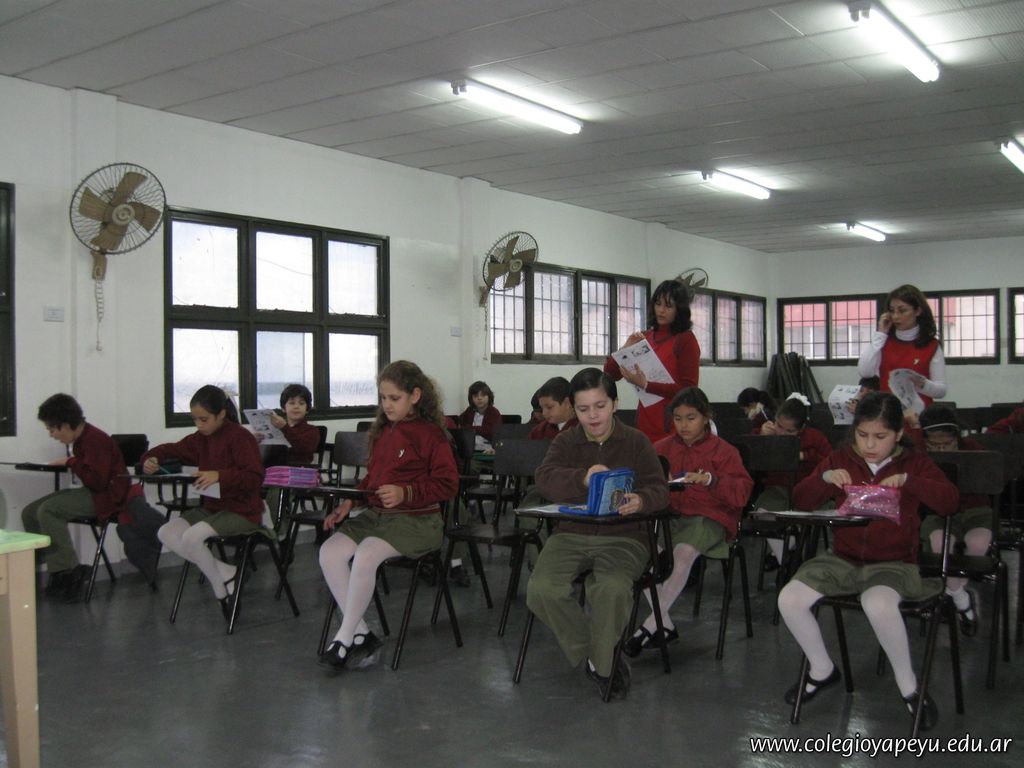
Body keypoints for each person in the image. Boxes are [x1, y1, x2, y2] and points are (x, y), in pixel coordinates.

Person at [778, 392, 958, 732]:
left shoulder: (914, 464)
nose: (870, 445)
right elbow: (801, 499)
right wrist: (823, 479)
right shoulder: (840, 458)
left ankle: (909, 686)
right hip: (843, 559)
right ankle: (822, 669)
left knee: (877, 603)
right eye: (862, 435)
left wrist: (910, 483)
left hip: (894, 563)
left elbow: (949, 502)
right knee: (789, 599)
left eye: (880, 436)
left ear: (899, 434)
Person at [525, 368, 670, 699]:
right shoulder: (566, 441)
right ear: (573, 409)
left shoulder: (636, 441)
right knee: (541, 589)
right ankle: (598, 653)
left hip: (625, 536)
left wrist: (642, 500)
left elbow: (660, 491)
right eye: (583, 409)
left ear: (615, 404)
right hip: (571, 533)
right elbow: (544, 478)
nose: (592, 416)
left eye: (600, 406)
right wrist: (582, 478)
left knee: (611, 588)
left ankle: (603, 668)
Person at [317, 361, 459, 670]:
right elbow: (373, 479)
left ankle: (344, 637)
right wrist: (350, 502)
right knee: (329, 552)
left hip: (419, 522)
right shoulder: (382, 431)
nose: (387, 405)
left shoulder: (432, 434)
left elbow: (448, 485)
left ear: (415, 396)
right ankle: (361, 633)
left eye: (394, 398)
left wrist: (405, 492)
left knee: (366, 554)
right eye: (383, 398)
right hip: (380, 517)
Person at [623, 387, 751, 656]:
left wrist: (711, 480)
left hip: (710, 518)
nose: (683, 425)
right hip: (670, 517)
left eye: (691, 418)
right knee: (643, 555)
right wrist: (658, 484)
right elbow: (640, 483)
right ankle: (664, 625)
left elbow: (741, 494)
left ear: (706, 417)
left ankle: (649, 625)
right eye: (678, 419)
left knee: (683, 553)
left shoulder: (724, 451)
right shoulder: (662, 448)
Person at [22, 394, 164, 600]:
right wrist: (72, 462)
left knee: (48, 510)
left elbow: (98, 482)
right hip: (94, 492)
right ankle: (45, 556)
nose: (51, 435)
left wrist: (70, 462)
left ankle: (67, 572)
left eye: (52, 429)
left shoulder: (94, 440)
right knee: (30, 512)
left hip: (107, 497)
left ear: (65, 425)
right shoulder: (81, 439)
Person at [143, 386, 265, 620]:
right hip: (212, 509)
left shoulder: (240, 437)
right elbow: (171, 449)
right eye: (195, 419)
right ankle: (228, 573)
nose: (199, 425)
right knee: (166, 533)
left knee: (191, 537)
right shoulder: (200, 439)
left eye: (204, 419)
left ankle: (221, 593)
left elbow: (254, 477)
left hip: (242, 512)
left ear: (221, 415)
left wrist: (220, 475)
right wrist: (151, 458)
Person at [917, 405, 990, 635]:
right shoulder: (920, 455)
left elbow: (992, 479)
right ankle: (960, 599)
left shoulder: (974, 450)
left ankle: (952, 591)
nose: (940, 449)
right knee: (939, 544)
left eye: (947, 444)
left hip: (975, 510)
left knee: (978, 543)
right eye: (933, 445)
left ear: (957, 438)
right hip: (937, 512)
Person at [604, 279, 700, 442]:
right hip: (645, 421)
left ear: (679, 309)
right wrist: (625, 348)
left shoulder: (685, 339)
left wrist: (646, 385)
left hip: (673, 424)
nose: (661, 310)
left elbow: (689, 389)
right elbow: (610, 374)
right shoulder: (645, 336)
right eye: (658, 303)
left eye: (668, 306)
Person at [753, 393, 832, 569]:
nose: (782, 433)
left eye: (789, 431)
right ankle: (787, 558)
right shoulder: (766, 432)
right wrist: (761, 438)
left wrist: (804, 456)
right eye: (779, 426)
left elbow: (831, 463)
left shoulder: (815, 438)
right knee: (762, 514)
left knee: (800, 519)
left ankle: (782, 557)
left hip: (808, 491)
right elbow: (748, 458)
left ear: (802, 428)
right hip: (778, 488)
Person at [857, 284, 946, 413]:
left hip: (919, 416)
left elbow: (941, 391)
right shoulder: (883, 341)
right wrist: (880, 334)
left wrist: (923, 384)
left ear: (918, 311)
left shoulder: (931, 345)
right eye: (892, 311)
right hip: (888, 414)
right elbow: (865, 372)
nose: (895, 316)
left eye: (902, 310)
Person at [458, 380, 501, 452]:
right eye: (475, 396)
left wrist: (471, 429)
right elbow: (460, 425)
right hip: (470, 449)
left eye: (483, 395)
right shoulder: (469, 411)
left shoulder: (494, 413)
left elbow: (490, 431)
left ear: (489, 397)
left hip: (487, 450)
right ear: (471, 399)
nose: (479, 398)